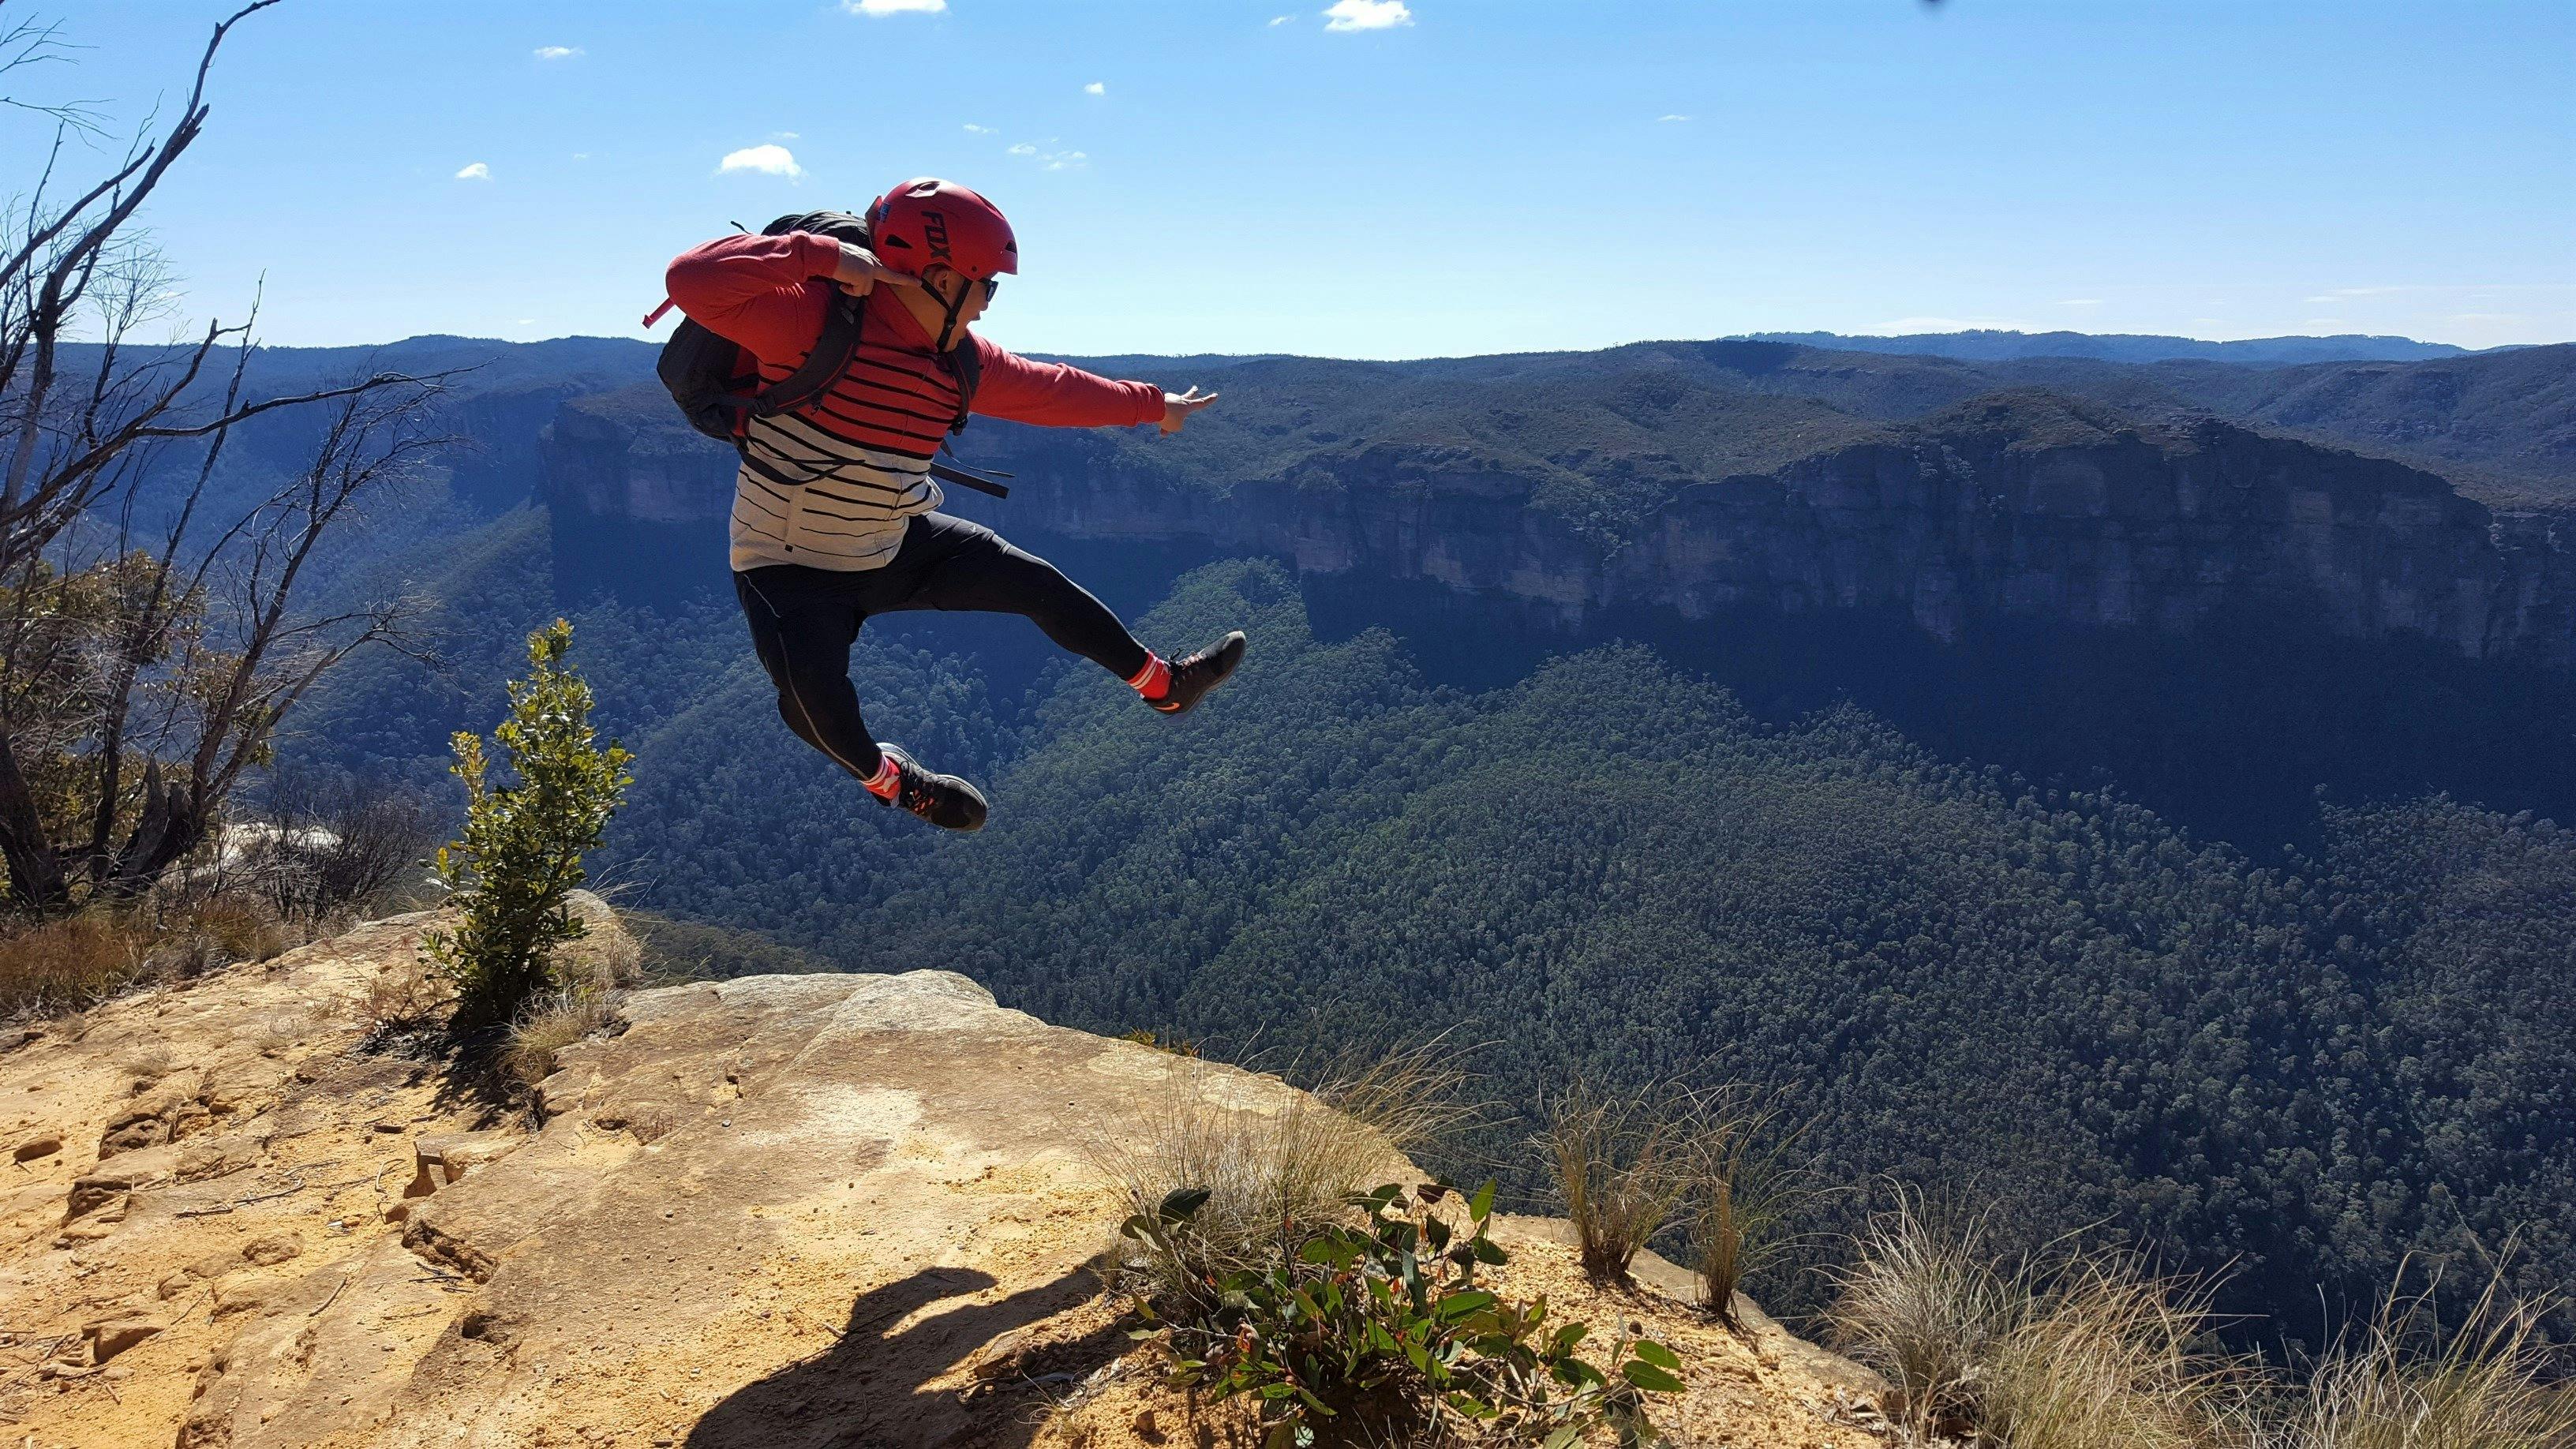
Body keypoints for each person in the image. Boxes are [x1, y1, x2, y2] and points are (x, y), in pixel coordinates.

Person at [663, 177, 1244, 833]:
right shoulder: (805, 323)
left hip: (895, 541)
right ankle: (895, 782)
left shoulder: (962, 363)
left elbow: (1054, 391)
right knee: (812, 706)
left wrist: (1153, 405)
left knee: (1036, 584)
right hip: (787, 567)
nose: (988, 306)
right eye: (985, 285)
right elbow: (692, 280)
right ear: (938, 278)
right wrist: (820, 258)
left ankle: (1166, 686)